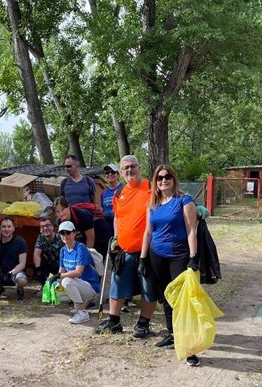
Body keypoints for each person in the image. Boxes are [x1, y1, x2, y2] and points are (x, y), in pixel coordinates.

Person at [140, 164, 200, 367]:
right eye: (159, 178)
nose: (163, 181)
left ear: (174, 179)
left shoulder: (184, 200)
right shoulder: (153, 204)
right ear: (155, 182)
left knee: (183, 300)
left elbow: (192, 230)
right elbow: (148, 232)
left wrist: (193, 257)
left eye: (167, 177)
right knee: (166, 296)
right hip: (157, 255)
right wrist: (142, 258)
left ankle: (190, 347)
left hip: (179, 255)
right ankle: (172, 335)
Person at [94, 155, 158, 338]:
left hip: (148, 250)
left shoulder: (152, 188)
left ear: (139, 167)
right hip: (124, 249)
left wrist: (193, 207)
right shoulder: (118, 193)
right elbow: (117, 217)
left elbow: (174, 198)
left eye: (132, 166)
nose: (130, 170)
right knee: (117, 284)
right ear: (121, 173)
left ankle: (143, 323)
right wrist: (116, 237)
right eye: (126, 168)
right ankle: (114, 321)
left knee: (148, 287)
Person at [48, 221, 100, 325]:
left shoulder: (80, 248)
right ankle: (80, 304)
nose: (65, 235)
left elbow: (78, 272)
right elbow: (61, 272)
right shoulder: (63, 250)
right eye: (62, 233)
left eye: (68, 232)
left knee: (67, 281)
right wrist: (52, 281)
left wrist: (59, 276)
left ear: (74, 233)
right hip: (78, 285)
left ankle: (82, 312)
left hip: (91, 287)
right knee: (55, 290)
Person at [32, 217, 64, 287]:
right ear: (40, 230)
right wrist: (38, 269)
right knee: (38, 265)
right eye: (42, 227)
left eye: (48, 225)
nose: (45, 228)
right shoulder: (41, 237)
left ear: (53, 227)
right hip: (49, 264)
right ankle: (45, 285)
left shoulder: (60, 238)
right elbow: (36, 254)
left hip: (61, 265)